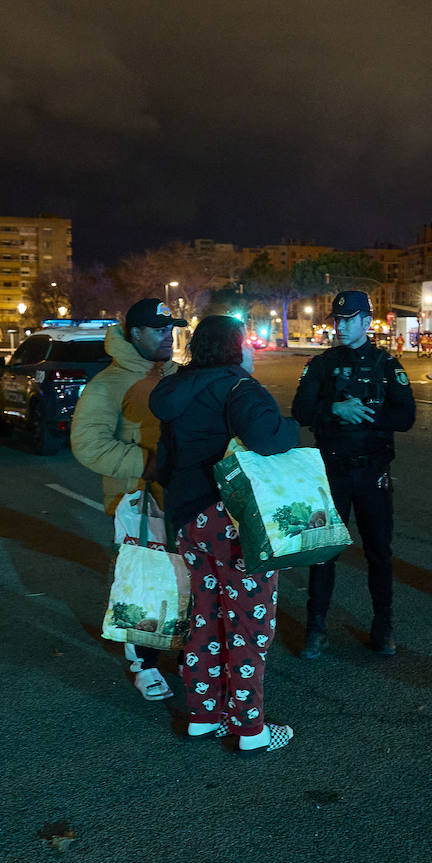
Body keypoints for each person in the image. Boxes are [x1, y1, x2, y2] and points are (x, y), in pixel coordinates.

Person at [149, 314, 299, 753]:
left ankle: (203, 714)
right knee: (250, 624)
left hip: (188, 518)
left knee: (206, 615)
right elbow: (268, 438)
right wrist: (292, 427)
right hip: (230, 520)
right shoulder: (238, 387)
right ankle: (249, 729)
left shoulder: (175, 389)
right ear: (236, 347)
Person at [71, 298, 187, 702]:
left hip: (181, 497)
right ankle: (144, 664)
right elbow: (88, 444)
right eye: (158, 329)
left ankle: (183, 650)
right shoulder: (108, 383)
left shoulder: (177, 375)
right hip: (137, 499)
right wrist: (147, 464)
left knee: (183, 578)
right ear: (135, 333)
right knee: (143, 583)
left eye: (170, 329)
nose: (167, 336)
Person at [291, 291, 416, 658]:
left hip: (374, 473)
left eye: (350, 319)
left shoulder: (385, 365)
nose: (341, 326)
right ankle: (316, 629)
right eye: (338, 320)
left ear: (366, 322)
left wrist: (366, 414)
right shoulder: (321, 365)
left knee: (379, 552)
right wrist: (334, 409)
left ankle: (383, 627)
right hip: (332, 473)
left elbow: (406, 417)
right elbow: (301, 410)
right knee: (324, 552)